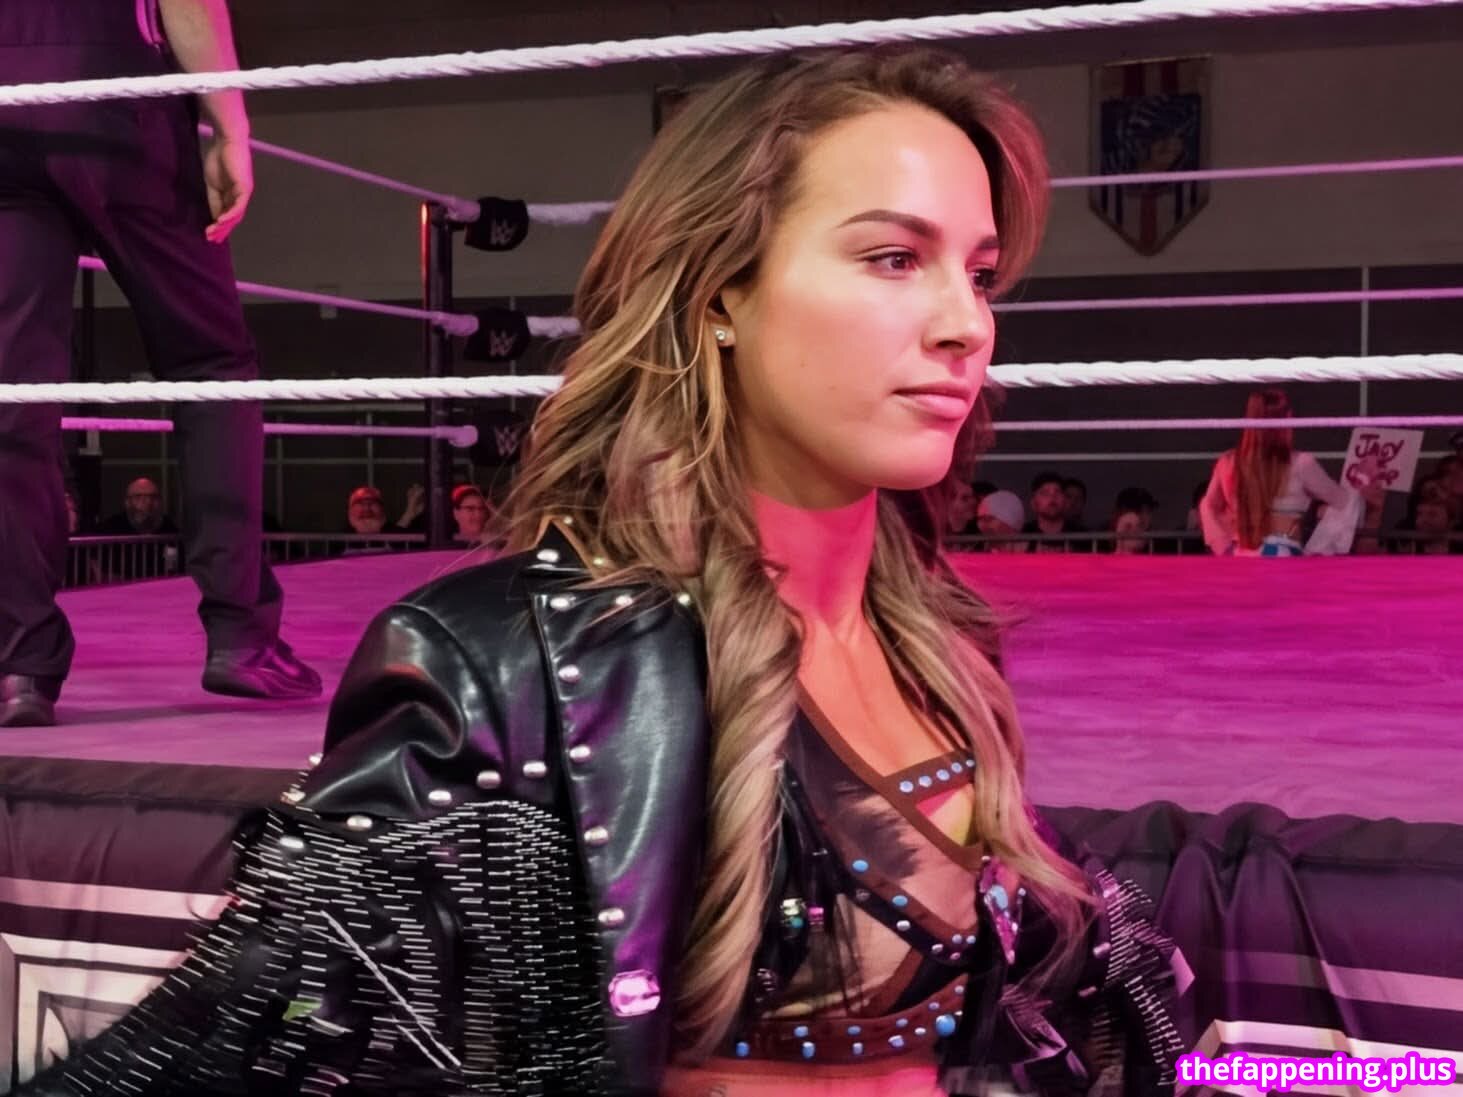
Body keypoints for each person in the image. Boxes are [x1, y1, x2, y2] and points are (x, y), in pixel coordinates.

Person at [23, 49, 1179, 1097]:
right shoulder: (502, 664)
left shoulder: (940, 646)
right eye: (892, 258)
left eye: (979, 273)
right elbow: (268, 1035)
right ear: (718, 293)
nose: (964, 324)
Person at [0, 0, 319, 727]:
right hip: (113, 91)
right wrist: (230, 128)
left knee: (12, 390)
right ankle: (241, 635)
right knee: (211, 360)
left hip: (6, 108)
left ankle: (21, 663)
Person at [1198, 388, 1384, 557]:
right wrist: (1362, 481)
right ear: (1287, 421)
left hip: (1241, 554)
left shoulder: (1228, 462)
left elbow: (1207, 506)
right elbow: (1345, 502)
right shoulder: (1301, 463)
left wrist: (1223, 547)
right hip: (1283, 553)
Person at [1022, 471, 1090, 553]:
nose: (1052, 497)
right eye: (1045, 493)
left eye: (1058, 492)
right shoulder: (1022, 535)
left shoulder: (1083, 537)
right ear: (1033, 503)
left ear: (1065, 501)